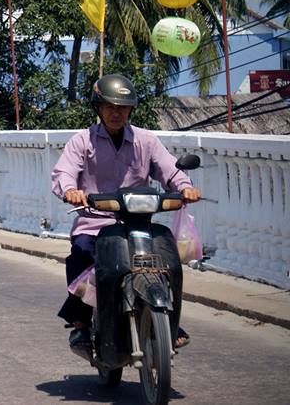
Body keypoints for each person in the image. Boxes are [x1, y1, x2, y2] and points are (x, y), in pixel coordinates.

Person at [51, 73, 201, 352]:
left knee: (167, 258)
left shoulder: (146, 140)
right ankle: (82, 323)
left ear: (131, 110)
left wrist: (185, 187)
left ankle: (167, 317)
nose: (116, 112)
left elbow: (171, 170)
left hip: (139, 221)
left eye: (122, 107)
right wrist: (71, 190)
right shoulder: (82, 141)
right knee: (82, 253)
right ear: (98, 108)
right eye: (109, 106)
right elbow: (64, 173)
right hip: (95, 222)